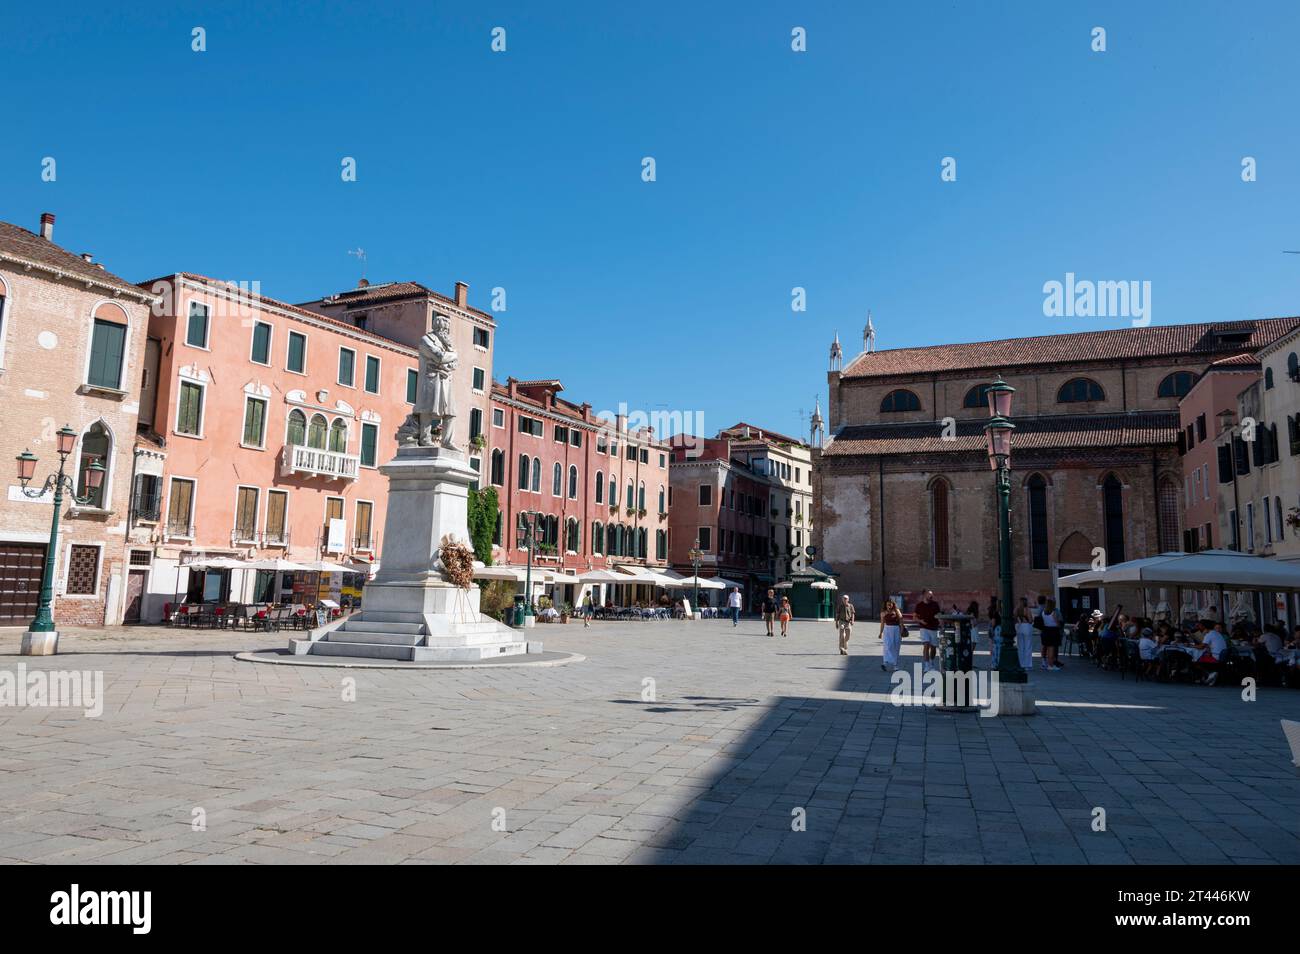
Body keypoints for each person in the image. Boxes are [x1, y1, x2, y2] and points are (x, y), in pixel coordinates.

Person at [1194, 620, 1228, 686]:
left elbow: (1201, 646)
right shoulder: (1216, 633)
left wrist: (1191, 646)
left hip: (1215, 657)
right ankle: (1212, 676)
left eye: (1200, 626)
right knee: (1202, 656)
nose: (1199, 627)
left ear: (1204, 626)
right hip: (1221, 656)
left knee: (1196, 662)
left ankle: (1211, 674)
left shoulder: (1209, 635)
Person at [915, 589, 941, 671]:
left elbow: (939, 614)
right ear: (924, 595)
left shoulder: (935, 604)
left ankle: (931, 663)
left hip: (933, 628)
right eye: (929, 594)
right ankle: (926, 666)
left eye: (932, 594)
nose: (931, 596)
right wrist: (920, 621)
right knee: (926, 645)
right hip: (924, 628)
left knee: (933, 647)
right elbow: (914, 617)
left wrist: (941, 622)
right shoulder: (919, 605)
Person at [1038, 599, 1063, 671]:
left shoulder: (1043, 612)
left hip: (1045, 630)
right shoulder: (1054, 612)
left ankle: (1044, 663)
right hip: (1053, 631)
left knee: (1044, 646)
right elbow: (1058, 624)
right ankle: (1051, 665)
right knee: (1051, 649)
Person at [880, 599, 903, 672]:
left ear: (893, 604)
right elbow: (882, 623)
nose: (889, 606)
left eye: (890, 604)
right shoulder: (883, 613)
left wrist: (901, 631)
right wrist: (880, 633)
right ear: (885, 605)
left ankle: (895, 665)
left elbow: (901, 621)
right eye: (888, 604)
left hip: (896, 630)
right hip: (887, 630)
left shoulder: (897, 611)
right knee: (887, 646)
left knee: (895, 647)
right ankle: (885, 662)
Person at [1014, 597, 1035, 671]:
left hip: (1019, 627)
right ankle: (1027, 664)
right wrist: (1032, 620)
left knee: (1020, 646)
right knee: (1028, 646)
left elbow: (1014, 617)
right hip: (1026, 627)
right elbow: (1030, 620)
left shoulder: (1017, 609)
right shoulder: (1027, 609)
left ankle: (1021, 663)